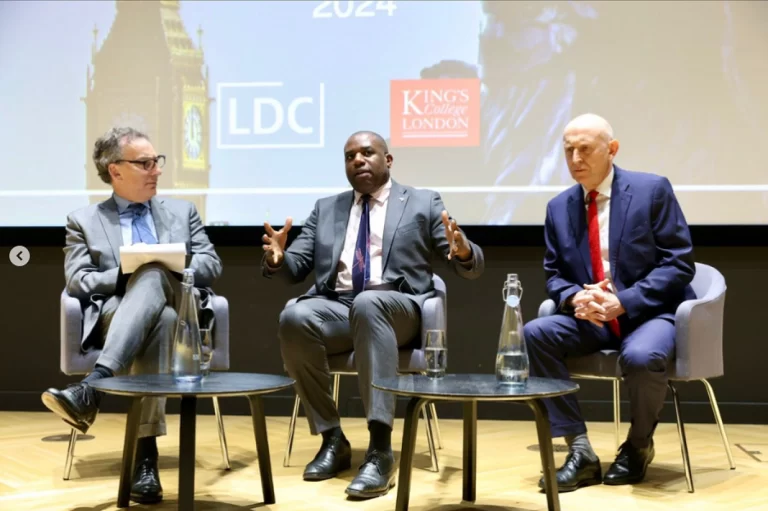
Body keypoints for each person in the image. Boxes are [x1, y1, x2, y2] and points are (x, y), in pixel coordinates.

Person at [262, 131, 485, 499]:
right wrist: (278, 258)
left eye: (367, 152)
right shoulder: (327, 208)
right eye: (350, 156)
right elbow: (295, 265)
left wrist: (462, 250)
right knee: (294, 318)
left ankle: (380, 450)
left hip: (398, 307)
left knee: (369, 303)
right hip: (339, 306)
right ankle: (332, 439)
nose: (358, 160)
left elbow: (465, 262)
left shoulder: (422, 202)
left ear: (388, 160)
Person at [41, 127, 222, 505]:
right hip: (116, 312)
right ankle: (145, 458)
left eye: (157, 161)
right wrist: (126, 274)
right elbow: (78, 280)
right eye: (145, 163)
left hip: (178, 298)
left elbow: (211, 264)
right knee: (163, 320)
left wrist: (168, 263)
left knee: (156, 276)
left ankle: (94, 387)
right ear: (115, 170)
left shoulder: (182, 212)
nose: (157, 170)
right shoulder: (84, 220)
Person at [524, 113, 695, 492]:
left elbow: (679, 264)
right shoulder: (558, 207)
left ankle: (638, 445)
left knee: (641, 356)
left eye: (585, 149)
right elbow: (554, 274)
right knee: (536, 333)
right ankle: (580, 450)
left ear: (612, 149)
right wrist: (576, 296)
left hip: (649, 314)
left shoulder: (651, 191)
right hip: (593, 318)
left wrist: (624, 301)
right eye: (568, 150)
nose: (575, 159)